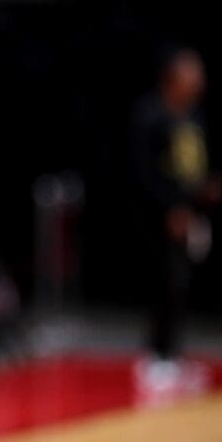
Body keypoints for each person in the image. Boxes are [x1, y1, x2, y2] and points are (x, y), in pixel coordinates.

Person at [127, 45, 219, 395]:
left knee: (181, 283)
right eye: (191, 73)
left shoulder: (193, 116)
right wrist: (169, 208)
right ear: (172, 77)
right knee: (164, 282)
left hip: (189, 213)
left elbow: (192, 166)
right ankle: (155, 356)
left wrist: (203, 192)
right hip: (157, 216)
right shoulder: (150, 115)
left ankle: (172, 353)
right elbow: (143, 171)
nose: (199, 80)